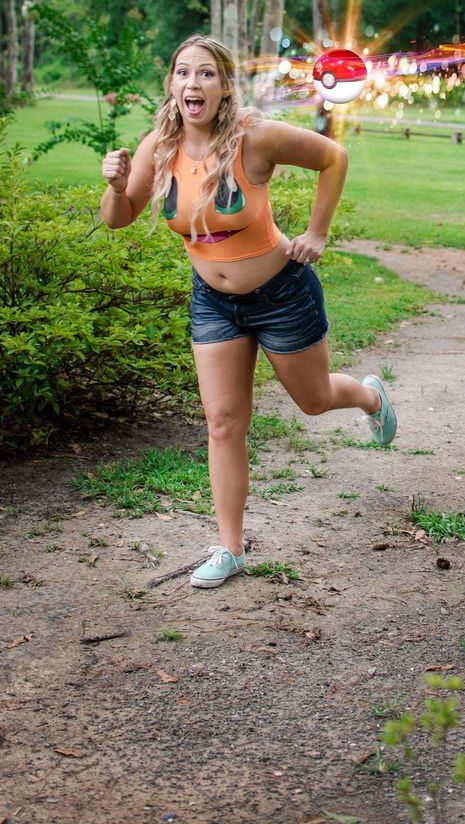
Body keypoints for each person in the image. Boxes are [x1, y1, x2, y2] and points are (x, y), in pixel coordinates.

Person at [100, 35, 396, 588]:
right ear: (172, 84)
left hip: (282, 295)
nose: (194, 84)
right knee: (223, 423)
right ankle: (230, 548)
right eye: (184, 73)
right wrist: (117, 186)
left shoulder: (252, 138)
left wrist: (317, 233)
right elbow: (118, 217)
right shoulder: (157, 148)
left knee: (313, 400)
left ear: (225, 86)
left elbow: (334, 157)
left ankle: (369, 396)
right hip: (213, 303)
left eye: (207, 74)